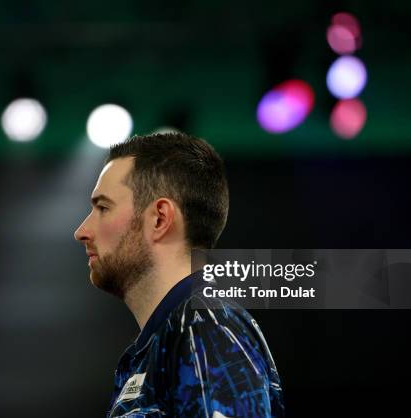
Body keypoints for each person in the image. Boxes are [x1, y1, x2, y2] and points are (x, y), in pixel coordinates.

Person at [74, 132, 284, 418]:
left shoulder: (203, 324)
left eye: (103, 208)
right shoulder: (160, 345)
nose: (82, 231)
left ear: (160, 218)